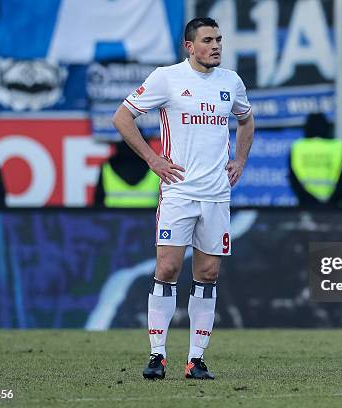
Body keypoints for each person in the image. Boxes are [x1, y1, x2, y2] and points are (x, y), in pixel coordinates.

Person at [112, 17, 254, 380]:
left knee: (207, 273)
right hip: (179, 192)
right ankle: (157, 355)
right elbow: (122, 117)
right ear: (190, 47)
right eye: (208, 40)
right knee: (168, 269)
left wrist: (239, 160)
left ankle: (196, 360)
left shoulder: (231, 82)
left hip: (216, 195)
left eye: (219, 39)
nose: (216, 45)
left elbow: (246, 120)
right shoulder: (167, 77)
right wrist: (153, 159)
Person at [288, 113, 342, 206]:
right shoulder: (339, 148)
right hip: (333, 207)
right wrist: (332, 201)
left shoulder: (297, 147)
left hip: (306, 206)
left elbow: (293, 179)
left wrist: (308, 200)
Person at [93, 140, 161, 208]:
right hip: (150, 217)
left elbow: (98, 203)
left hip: (114, 217)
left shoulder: (107, 167)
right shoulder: (156, 167)